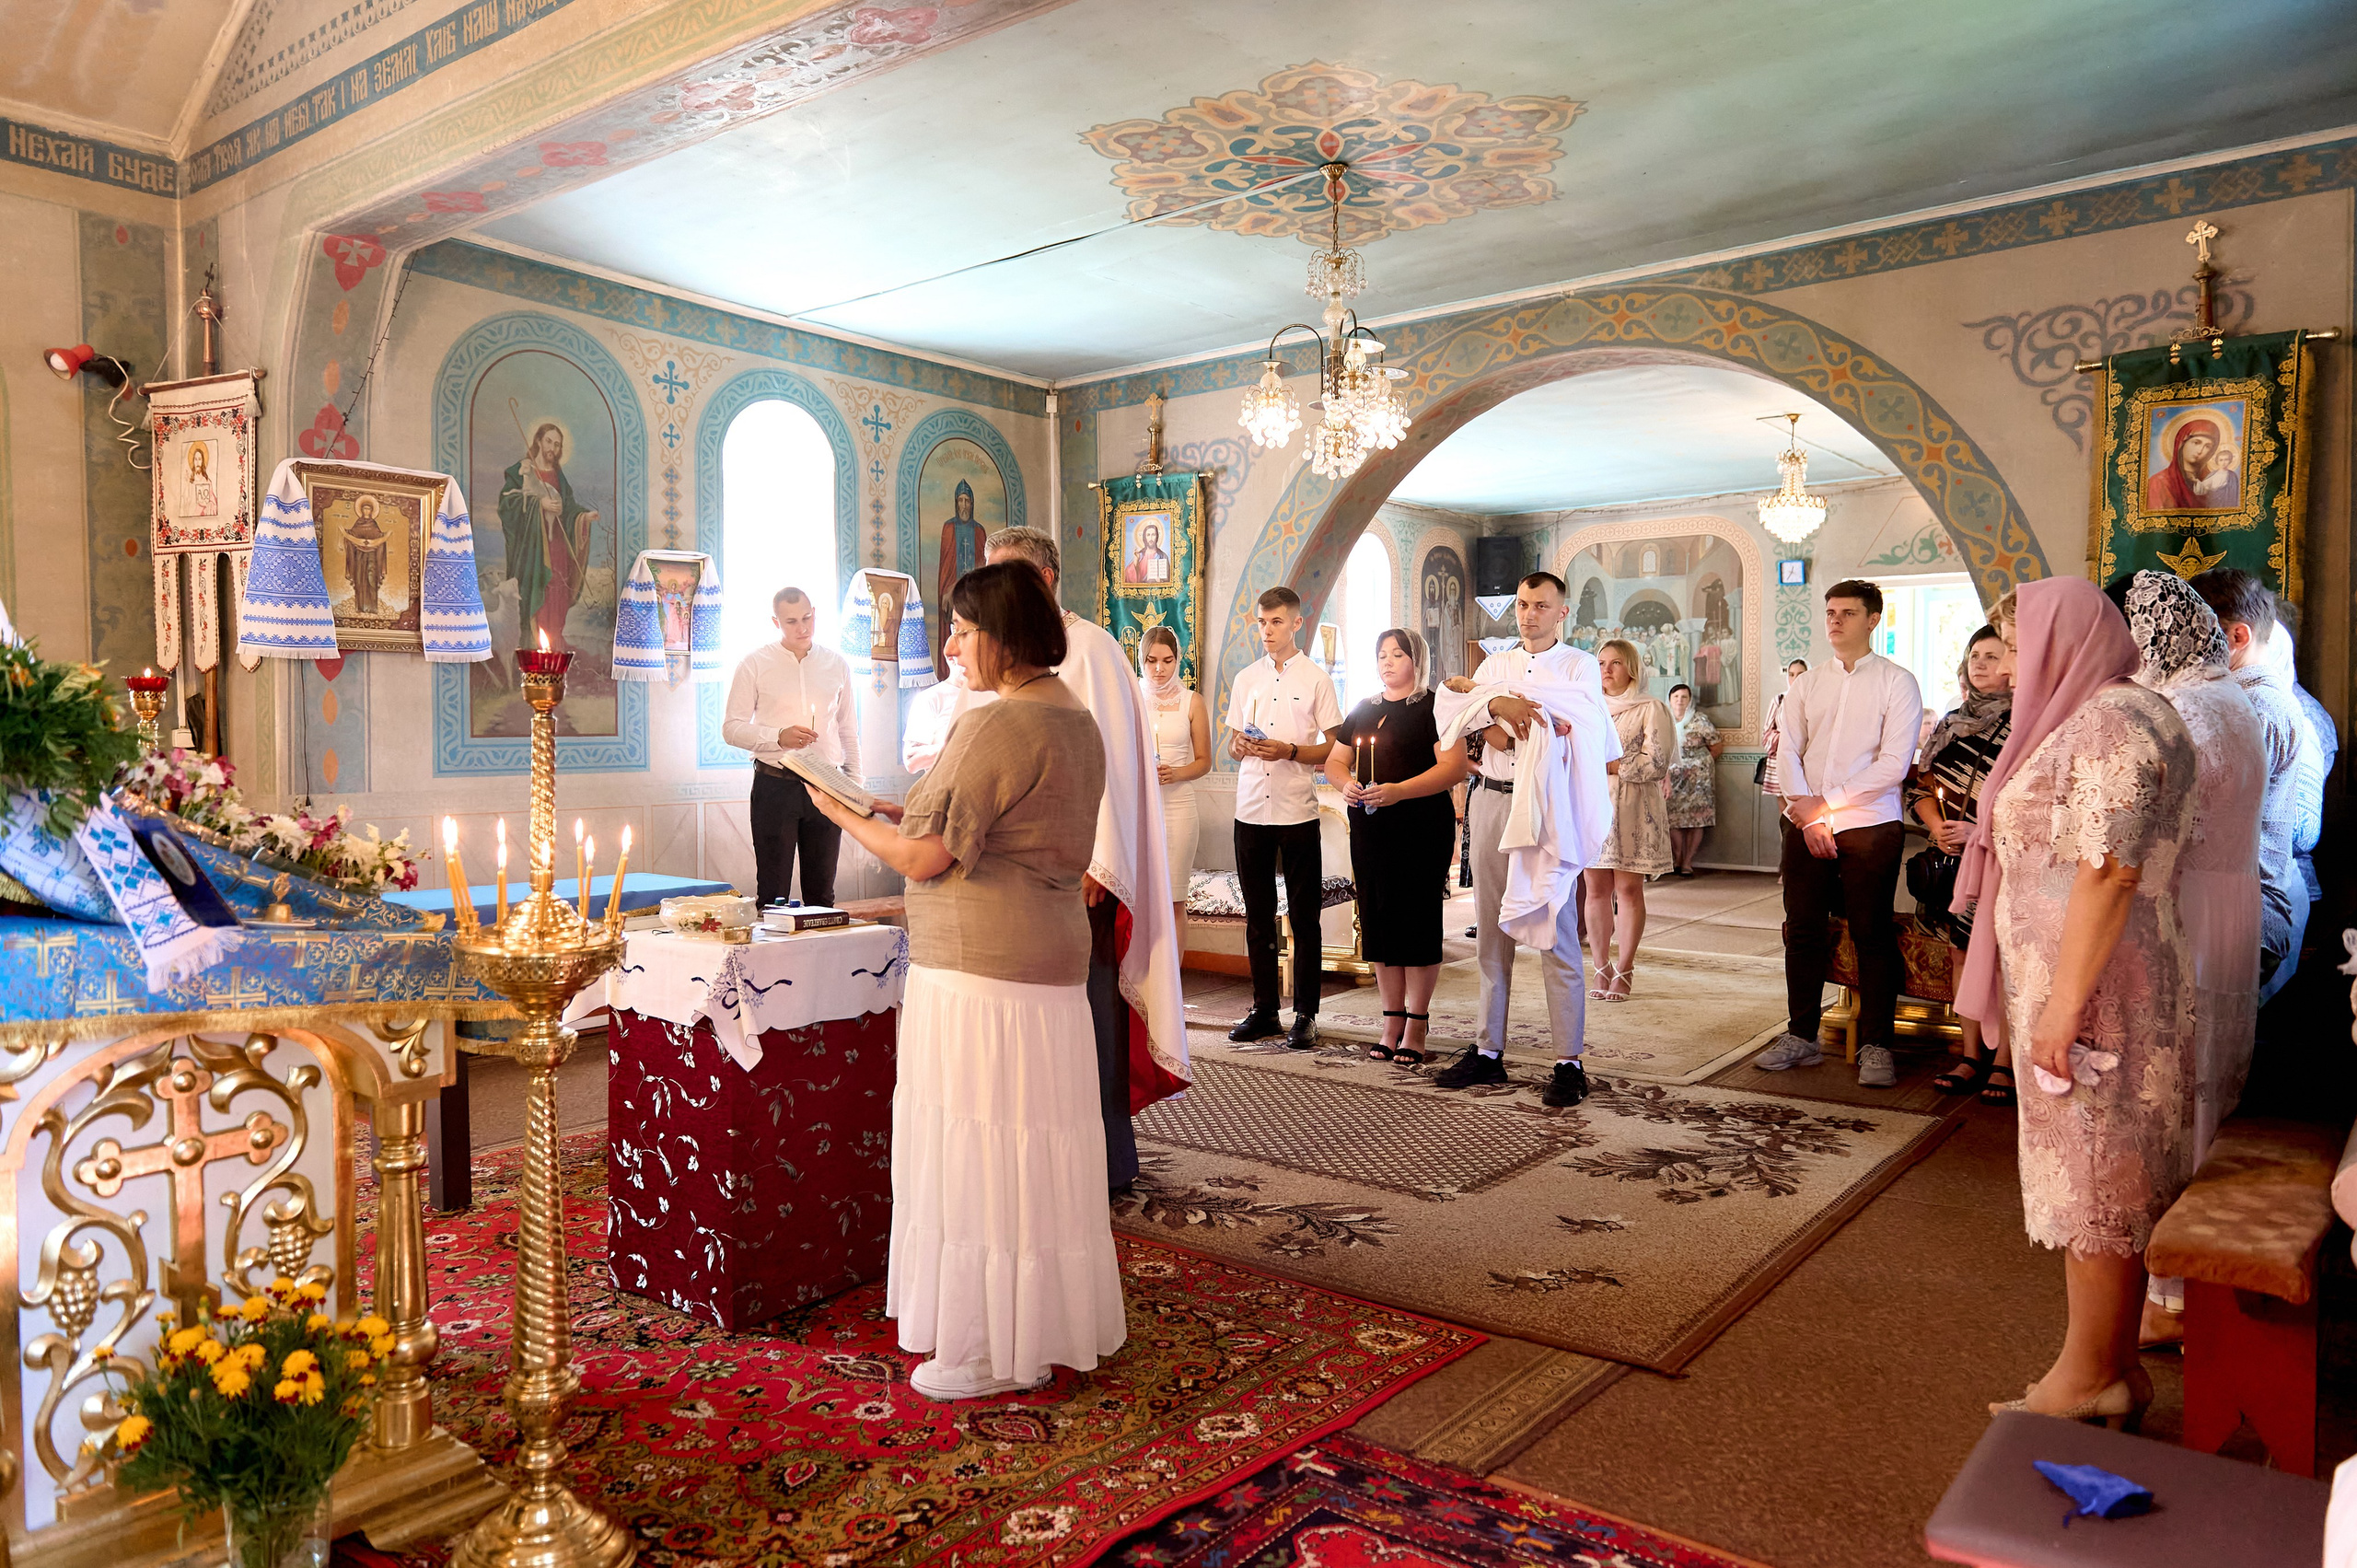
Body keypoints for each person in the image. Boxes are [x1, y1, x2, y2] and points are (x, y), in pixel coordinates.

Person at [809, 562, 1122, 1401]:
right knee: (1031, 1150)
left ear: (1003, 635)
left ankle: (984, 1349)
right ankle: (1037, 1330)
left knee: (977, 1152)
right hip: (1048, 965)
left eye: (961, 629)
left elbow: (925, 855)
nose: (951, 646)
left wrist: (840, 813)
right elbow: (992, 823)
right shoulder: (1075, 716)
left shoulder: (998, 722)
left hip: (978, 972)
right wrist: (891, 808)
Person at [1955, 577, 2197, 1430]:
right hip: (2103, 979)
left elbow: (2110, 871)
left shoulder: (2106, 722)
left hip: (2096, 993)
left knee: (2096, 1177)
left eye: (2022, 649)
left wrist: (2062, 1008)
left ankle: (2087, 1375)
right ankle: (2115, 1366)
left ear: (2066, 640)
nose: (2014, 667)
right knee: (2110, 1176)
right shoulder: (2128, 710)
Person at [985, 527, 1189, 1190]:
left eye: (1008, 574)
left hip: (1082, 874)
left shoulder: (1090, 647)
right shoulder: (1009, 651)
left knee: (1091, 1015)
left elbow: (1113, 765)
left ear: (1045, 579)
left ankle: (1103, 1161)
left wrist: (1102, 863)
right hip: (1019, 876)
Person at [1429, 572, 1619, 1109]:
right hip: (1492, 798)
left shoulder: (1579, 666)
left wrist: (1503, 716)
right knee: (1491, 930)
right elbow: (1462, 721)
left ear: (1562, 612)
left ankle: (1568, 1062)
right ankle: (1488, 1051)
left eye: (1540, 605)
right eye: (1522, 604)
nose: (1528, 614)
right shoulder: (1496, 666)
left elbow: (1582, 734)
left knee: (1557, 929)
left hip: (1549, 807)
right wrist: (1499, 710)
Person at [1756, 581, 1923, 1089]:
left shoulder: (1897, 682)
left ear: (1872, 620)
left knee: (1871, 932)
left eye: (1848, 613)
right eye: (1830, 612)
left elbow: (1893, 764)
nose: (1835, 621)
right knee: (1803, 930)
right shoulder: (1808, 684)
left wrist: (1826, 806)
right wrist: (1809, 818)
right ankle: (1801, 1035)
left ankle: (1877, 1044)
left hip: (1870, 824)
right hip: (1805, 822)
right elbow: (1788, 752)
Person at [1322, 627, 1470, 1065]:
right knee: (1379, 918)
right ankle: (1391, 1022)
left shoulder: (1435, 707)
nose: (1387, 662)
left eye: (1397, 654)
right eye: (1382, 654)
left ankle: (1417, 1023)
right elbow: (1335, 761)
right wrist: (1345, 785)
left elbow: (1454, 767)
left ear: (1416, 660)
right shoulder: (1364, 708)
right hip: (1372, 829)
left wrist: (1399, 791)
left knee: (1416, 920)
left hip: (1421, 827)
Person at [1223, 585, 1342, 1050]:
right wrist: (1240, 745)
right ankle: (1264, 1010)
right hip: (1251, 808)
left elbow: (1334, 747)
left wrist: (1290, 750)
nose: (1267, 631)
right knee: (1258, 915)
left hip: (1296, 812)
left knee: (1304, 917)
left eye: (1275, 622)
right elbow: (1233, 744)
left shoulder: (1316, 679)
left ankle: (1306, 1014)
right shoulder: (1246, 678)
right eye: (1261, 622)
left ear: (1296, 623)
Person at [2189, 567, 2315, 1004]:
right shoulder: (2237, 700)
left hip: (2239, 914)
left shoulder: (2255, 707)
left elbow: (2208, 814)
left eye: (2193, 635)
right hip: (2227, 907)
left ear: (2237, 636)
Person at [1903, 625, 2013, 1104]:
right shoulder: (1951, 722)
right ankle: (1970, 1055)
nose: (1981, 664)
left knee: (2004, 961)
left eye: (1993, 656)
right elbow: (1920, 789)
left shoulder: (2029, 720)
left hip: (2003, 859)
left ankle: (2005, 1061)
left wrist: (1979, 832)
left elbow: (2034, 802)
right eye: (1975, 655)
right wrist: (1936, 827)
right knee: (1962, 955)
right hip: (1953, 859)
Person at [720, 587, 859, 908]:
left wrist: (854, 787)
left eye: (807, 618)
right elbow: (731, 729)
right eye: (792, 621)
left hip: (827, 786)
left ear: (815, 614)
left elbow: (848, 730)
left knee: (822, 895)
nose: (803, 628)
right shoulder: (754, 664)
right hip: (775, 786)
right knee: (772, 894)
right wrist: (778, 736)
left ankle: (821, 943)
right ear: (776, 622)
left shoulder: (836, 664)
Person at [1585, 641, 1674, 1001]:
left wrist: (1613, 765)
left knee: (1628, 890)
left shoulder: (1650, 707)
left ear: (1632, 668)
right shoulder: (1588, 706)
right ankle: (1600, 966)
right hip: (1591, 804)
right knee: (1594, 889)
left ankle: (1625, 967)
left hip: (1633, 807)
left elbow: (1657, 762)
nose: (1606, 670)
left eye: (1615, 663)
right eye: (1601, 663)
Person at [498, 420, 599, 653]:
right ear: (538, 441)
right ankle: (534, 642)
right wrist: (539, 504)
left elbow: (568, 507)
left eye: (557, 444)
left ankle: (555, 640)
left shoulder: (558, 476)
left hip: (558, 547)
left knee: (558, 591)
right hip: (533, 548)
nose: (552, 448)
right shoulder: (521, 470)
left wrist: (583, 517)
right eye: (549, 441)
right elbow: (507, 504)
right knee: (539, 588)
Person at [1139, 626, 1210, 956]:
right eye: (1151, 660)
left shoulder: (1192, 702)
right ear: (1141, 660)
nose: (1159, 668)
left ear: (1177, 660)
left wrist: (1175, 773)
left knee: (1174, 899)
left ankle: (1175, 979)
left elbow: (1204, 761)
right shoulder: (1132, 698)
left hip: (1179, 809)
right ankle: (1143, 977)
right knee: (1140, 898)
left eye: (1167, 661)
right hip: (1140, 809)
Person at [902, 617, 993, 775]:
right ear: (950, 658)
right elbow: (912, 761)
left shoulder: (993, 694)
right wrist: (962, 744)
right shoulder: (930, 698)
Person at [1664, 682, 1722, 877]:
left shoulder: (1700, 720)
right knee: (1673, 819)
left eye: (1684, 697)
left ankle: (1688, 862)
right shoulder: (1664, 719)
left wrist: (1698, 766)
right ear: (1670, 699)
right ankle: (1678, 858)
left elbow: (1716, 746)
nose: (1680, 701)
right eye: (1676, 697)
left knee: (1697, 819)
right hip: (1672, 778)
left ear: (1690, 700)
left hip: (1698, 780)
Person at [934, 480, 986, 682]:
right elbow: (945, 566)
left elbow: (983, 569)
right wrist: (946, 593)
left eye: (967, 501)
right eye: (960, 501)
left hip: (975, 601)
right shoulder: (949, 528)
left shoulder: (979, 531)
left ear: (972, 504)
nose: (964, 505)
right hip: (953, 598)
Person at [1759, 658, 1808, 795]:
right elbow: (1766, 733)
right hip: (1780, 759)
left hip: (1806, 761)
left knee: (1803, 802)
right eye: (1791, 674)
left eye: (1800, 674)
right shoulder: (1779, 700)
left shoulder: (1814, 700)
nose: (1795, 679)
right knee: (1784, 805)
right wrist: (1785, 737)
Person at [343, 496, 390, 617]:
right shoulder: (358, 524)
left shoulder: (373, 524)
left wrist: (385, 536)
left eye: (369, 509)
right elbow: (352, 535)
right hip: (359, 556)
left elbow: (379, 538)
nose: (366, 511)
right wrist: (346, 533)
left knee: (371, 580)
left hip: (372, 556)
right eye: (364, 509)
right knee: (360, 579)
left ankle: (372, 607)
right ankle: (360, 607)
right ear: (361, 510)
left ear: (371, 511)